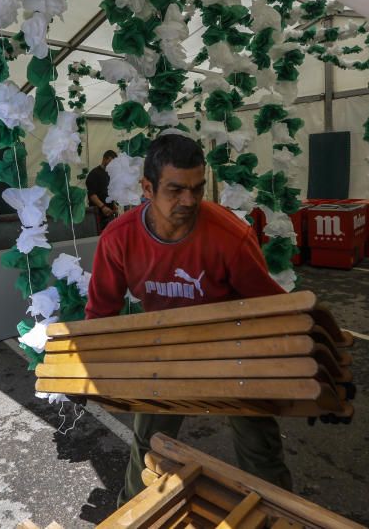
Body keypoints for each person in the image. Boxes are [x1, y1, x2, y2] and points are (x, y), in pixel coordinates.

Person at [85, 133, 293, 506]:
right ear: (147, 188)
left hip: (234, 353)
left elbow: (273, 311)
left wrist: (313, 379)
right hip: (166, 355)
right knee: (148, 447)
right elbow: (101, 314)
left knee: (260, 451)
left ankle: (281, 516)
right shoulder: (118, 240)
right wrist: (85, 370)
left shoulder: (230, 236)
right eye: (176, 190)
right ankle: (132, 513)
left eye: (197, 189)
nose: (190, 201)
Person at [85, 149, 119, 231]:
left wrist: (113, 205)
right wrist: (103, 207)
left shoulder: (108, 173)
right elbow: (92, 195)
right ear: (105, 159)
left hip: (109, 212)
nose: (113, 165)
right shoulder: (94, 174)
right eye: (112, 161)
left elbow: (108, 192)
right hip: (98, 213)